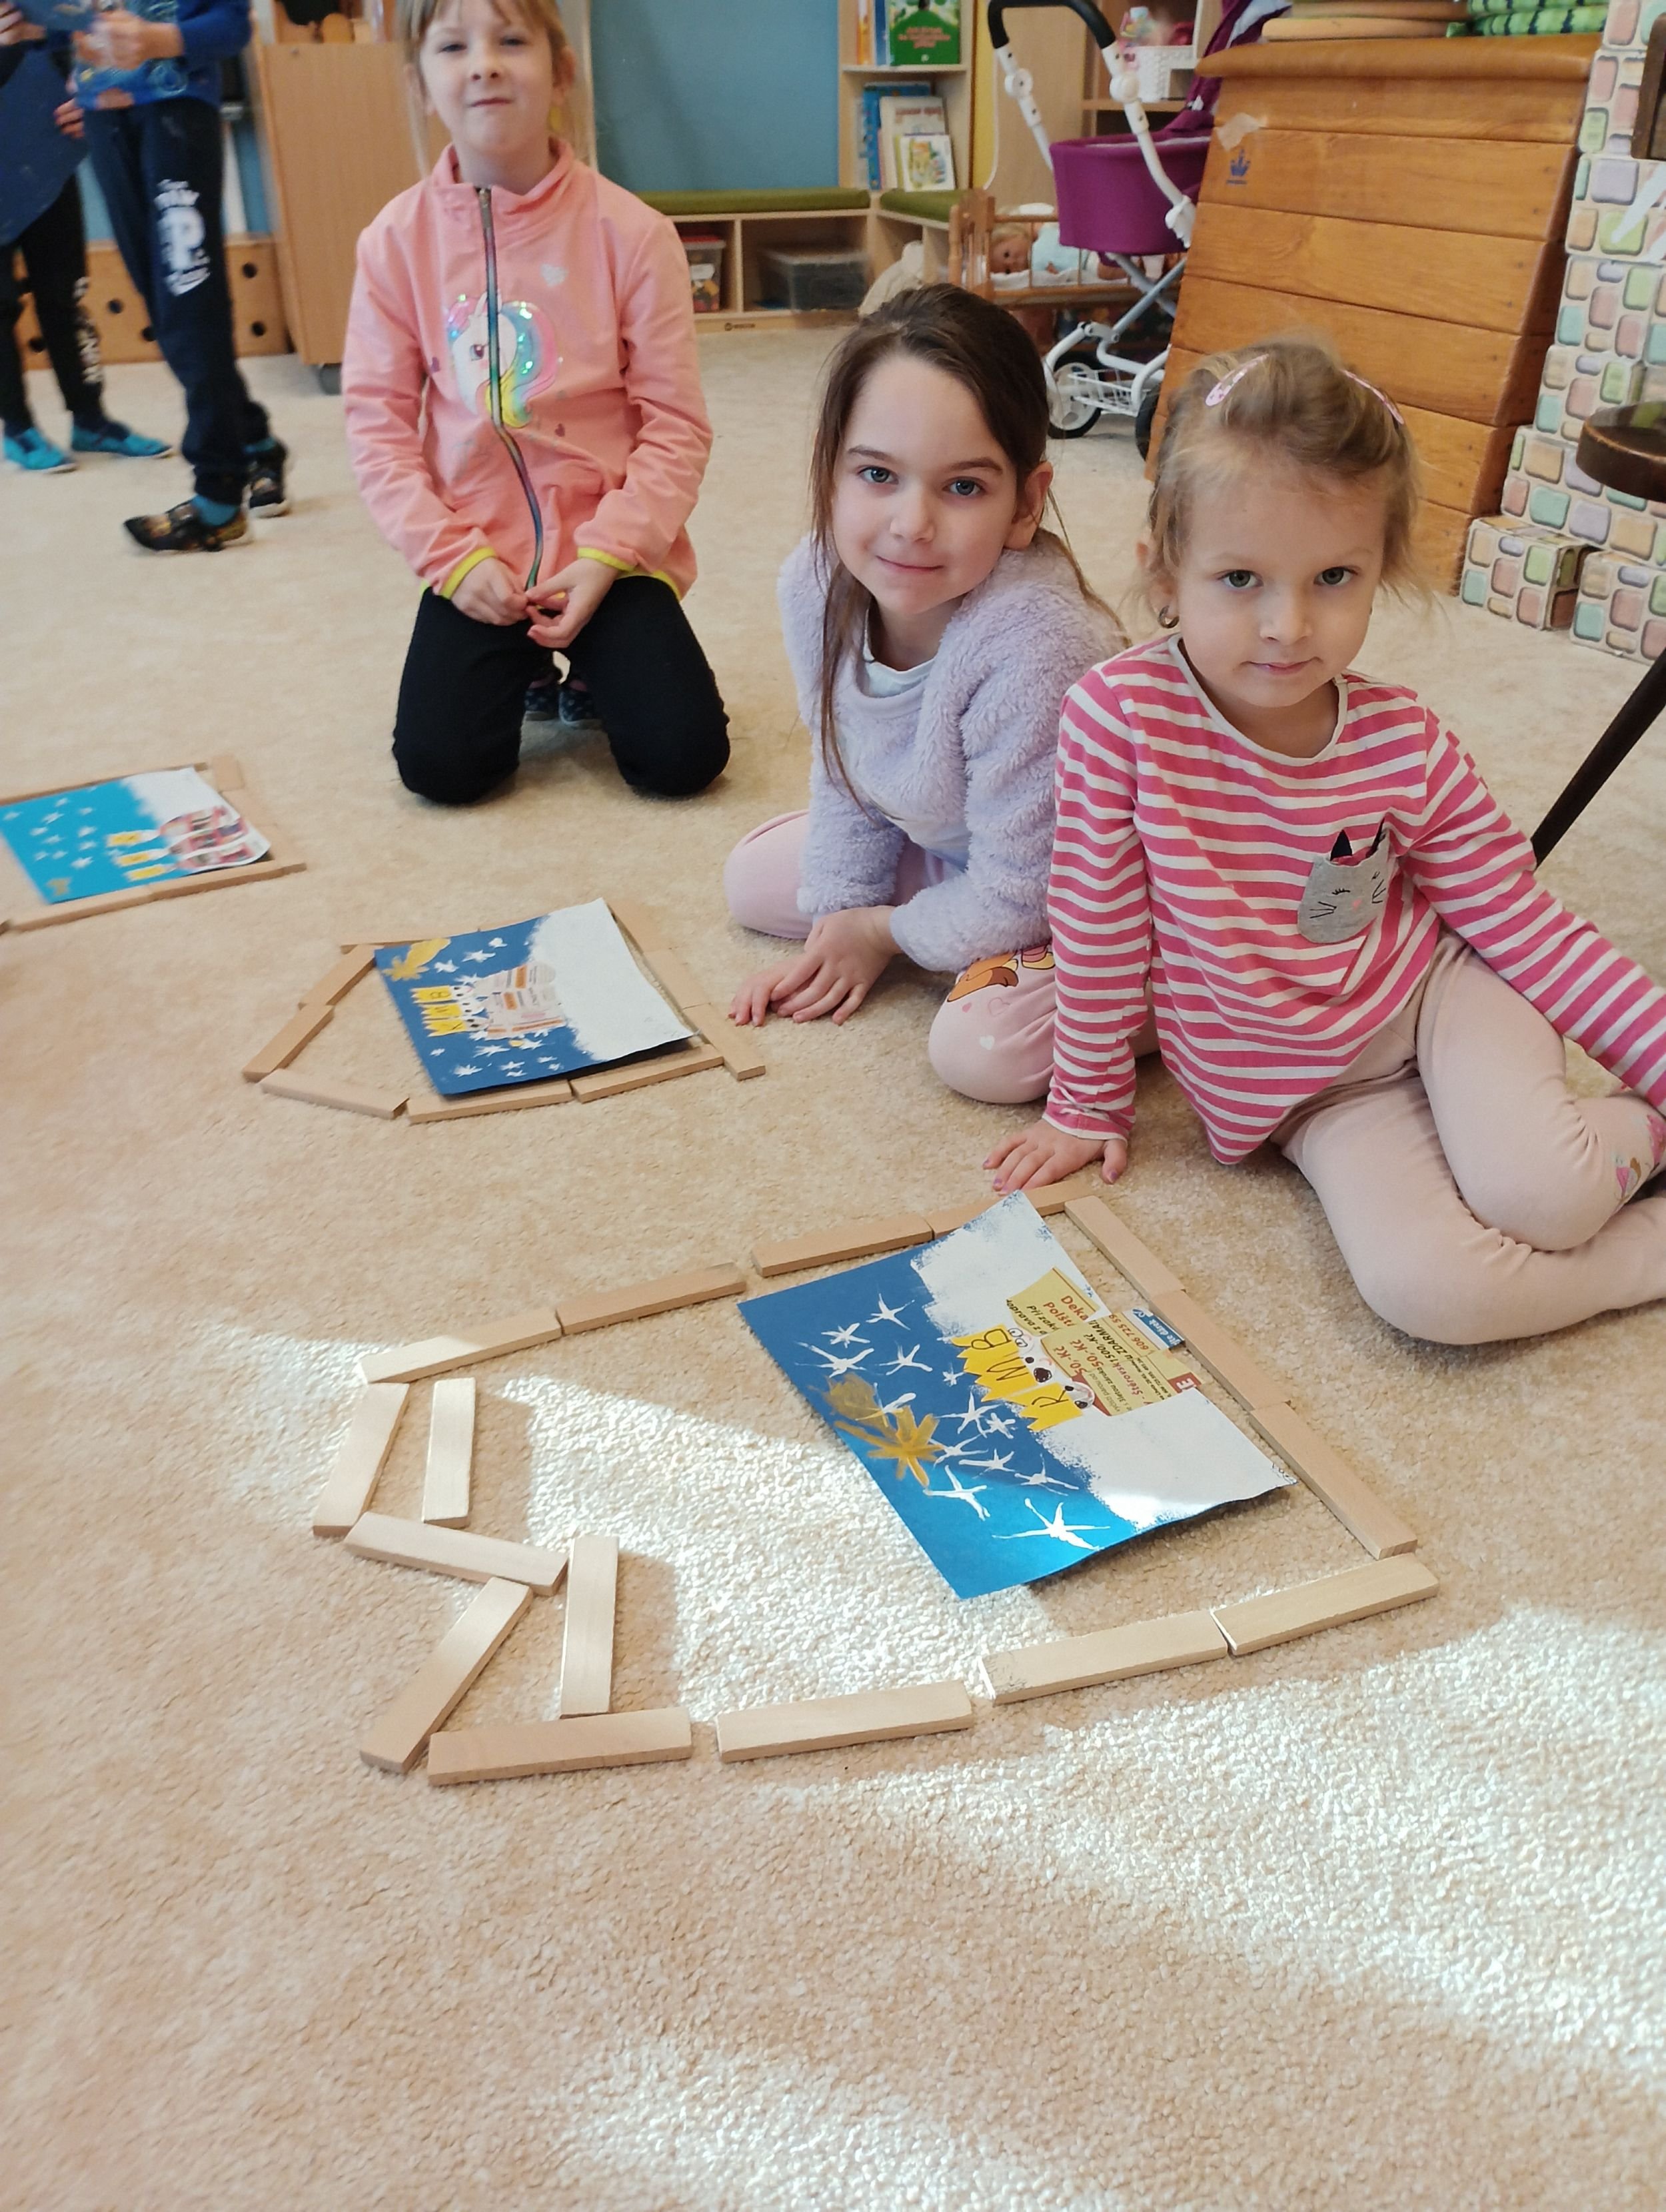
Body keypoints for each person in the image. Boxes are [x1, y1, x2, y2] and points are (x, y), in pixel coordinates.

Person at [988, 335, 1666, 1345]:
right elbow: (1096, 921)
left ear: (1381, 569)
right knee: (1433, 1295)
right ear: (1163, 573)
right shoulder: (1117, 717)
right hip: (1315, 1097)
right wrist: (1086, 1104)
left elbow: (1527, 929)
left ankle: (1646, 1124)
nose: (1289, 625)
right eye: (1240, 578)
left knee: (1546, 1195)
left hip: (1442, 993)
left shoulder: (1407, 742)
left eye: (1334, 576)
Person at [724, 284, 1124, 1103]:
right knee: (757, 884)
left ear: (1026, 504)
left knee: (980, 1052)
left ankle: (1166, 1003)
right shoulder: (812, 583)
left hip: (1093, 898)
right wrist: (843, 912)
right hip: (969, 844)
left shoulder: (1037, 645)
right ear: (829, 472)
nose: (912, 523)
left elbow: (1027, 896)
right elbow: (849, 769)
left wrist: (881, 931)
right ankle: (934, 915)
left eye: (963, 487)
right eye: (877, 474)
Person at [342, 0, 729, 806]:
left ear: (561, 72)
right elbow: (377, 431)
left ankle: (590, 669)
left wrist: (610, 554)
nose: (484, 63)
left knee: (683, 758)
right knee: (442, 770)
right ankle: (524, 668)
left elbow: (677, 426)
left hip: (607, 556)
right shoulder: (393, 243)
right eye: (454, 46)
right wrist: (453, 562)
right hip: (478, 557)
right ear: (420, 84)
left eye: (511, 40)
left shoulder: (633, 234)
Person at [71, 0, 287, 548]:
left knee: (189, 302)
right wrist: (31, 29)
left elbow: (231, 24)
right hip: (104, 114)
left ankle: (219, 494)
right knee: (168, 312)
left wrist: (156, 41)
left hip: (176, 109)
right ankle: (255, 442)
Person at [0, 3, 169, 469]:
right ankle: (17, 428)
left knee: (65, 291)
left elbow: (84, 38)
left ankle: (90, 419)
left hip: (47, 155)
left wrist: (84, 93)